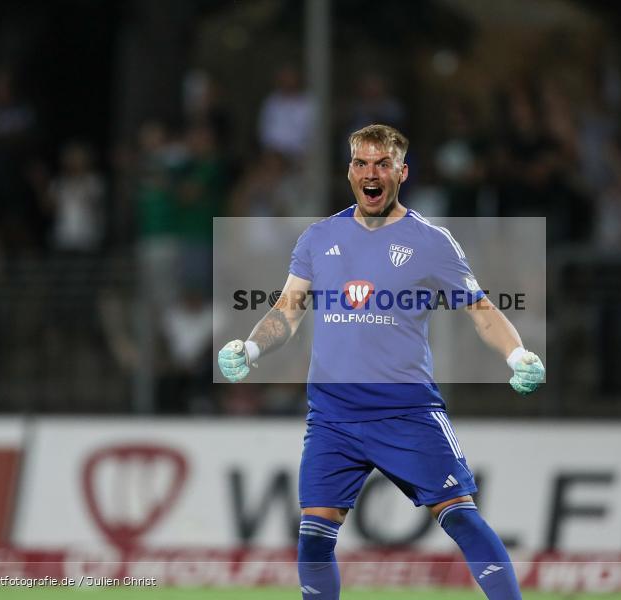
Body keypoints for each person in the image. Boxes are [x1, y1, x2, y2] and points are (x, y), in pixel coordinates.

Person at [218, 124, 544, 600]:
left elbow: (481, 311)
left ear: (401, 172)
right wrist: (248, 348)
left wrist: (518, 354)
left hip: (407, 412)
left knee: (462, 519)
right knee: (312, 541)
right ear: (350, 171)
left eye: (382, 164)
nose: (371, 173)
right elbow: (287, 310)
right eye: (361, 163)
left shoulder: (432, 242)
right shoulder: (317, 238)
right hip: (333, 416)